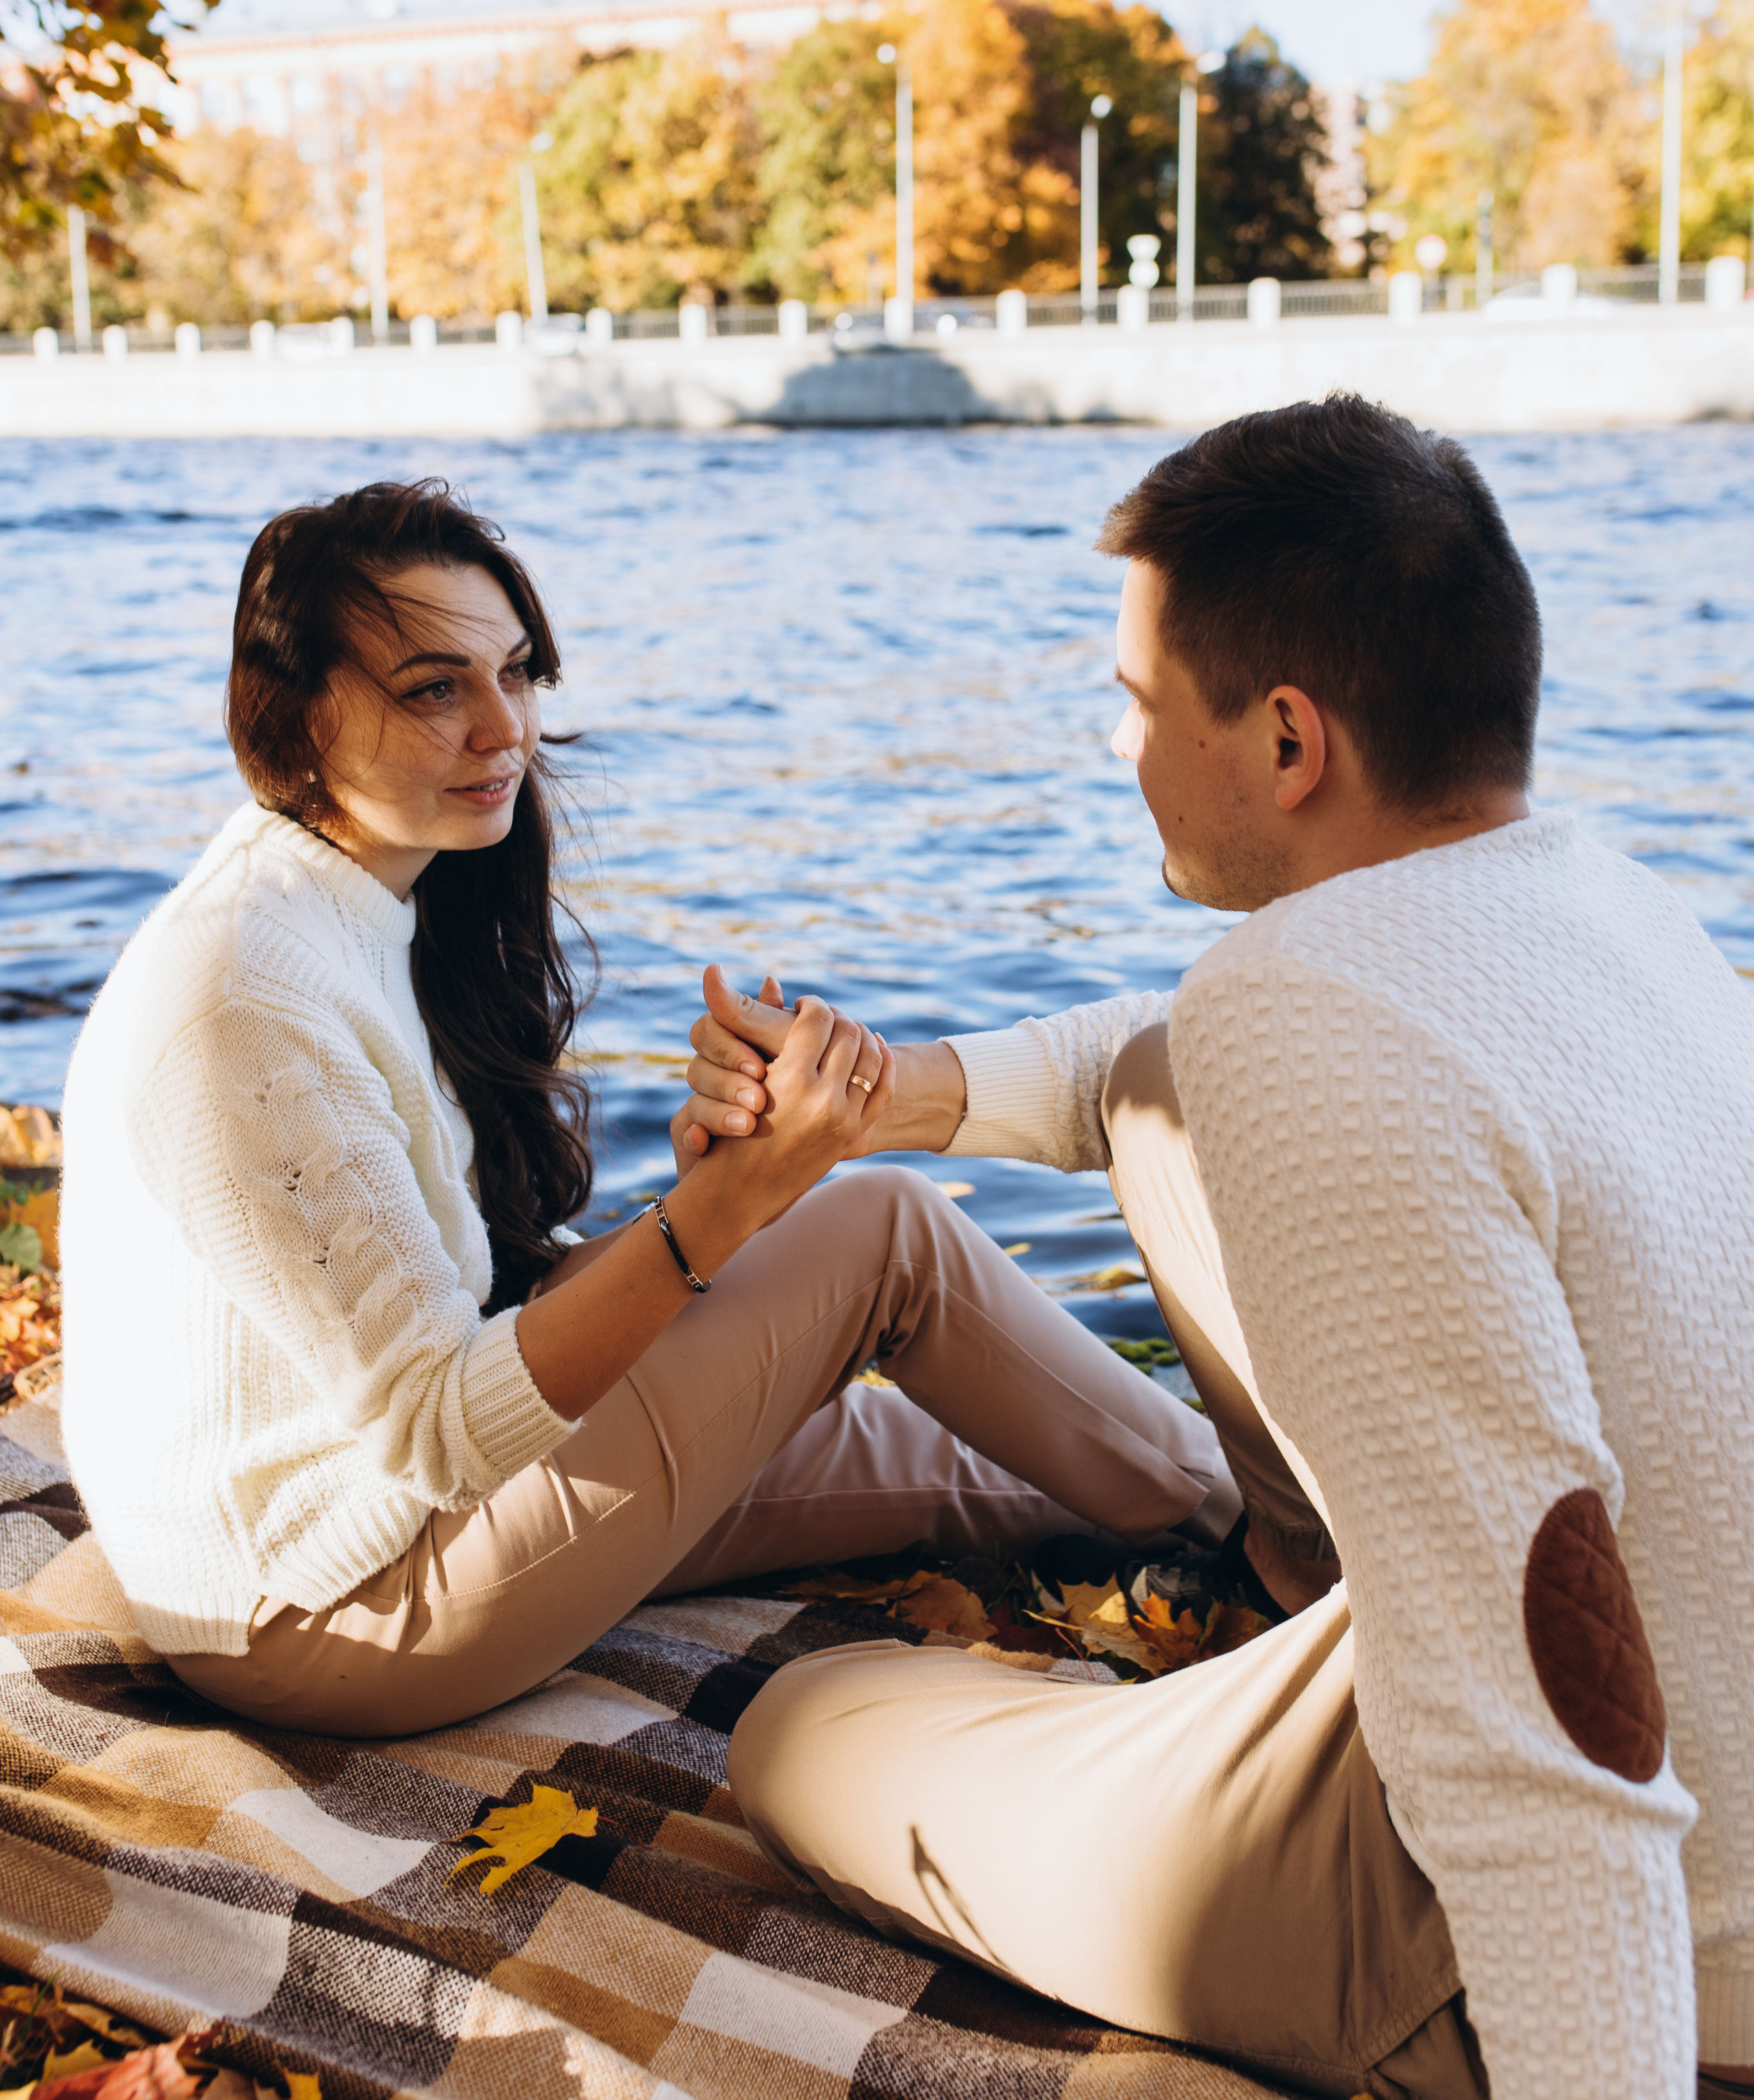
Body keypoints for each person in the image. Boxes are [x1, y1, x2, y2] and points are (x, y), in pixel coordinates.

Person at [680, 398, 1754, 2100]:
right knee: (1166, 1068)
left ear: (1281, 741)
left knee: (812, 1730)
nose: (1117, 748)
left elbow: (1559, 1737)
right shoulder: (1618, 913)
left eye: (1133, 704)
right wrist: (882, 1096)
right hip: (1684, 1718)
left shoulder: (1303, 1008)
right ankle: (1301, 1616)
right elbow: (1144, 1062)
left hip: (1576, 1919)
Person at [56, 478, 1237, 1741]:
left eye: (517, 675)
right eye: (433, 688)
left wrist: (713, 1208)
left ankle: (1231, 1512)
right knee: (885, 1232)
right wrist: (725, 1209)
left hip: (377, 1536)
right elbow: (440, 1432)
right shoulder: (253, 998)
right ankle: (1309, 1549)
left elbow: (470, 1309)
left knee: (981, 1469)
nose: (502, 728)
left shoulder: (347, 906)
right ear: (293, 718)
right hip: (328, 1609)